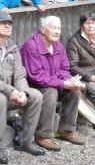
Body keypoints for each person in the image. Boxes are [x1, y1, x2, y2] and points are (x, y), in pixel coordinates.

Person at [0, 10, 45, 163]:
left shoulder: (12, 47)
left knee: (35, 95)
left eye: (10, 23)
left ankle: (26, 141)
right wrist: (10, 91)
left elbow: (19, 75)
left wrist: (22, 92)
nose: (7, 25)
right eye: (3, 22)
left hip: (8, 91)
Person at [19, 16, 86, 147]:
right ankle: (43, 135)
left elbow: (63, 69)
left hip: (53, 82)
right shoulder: (31, 46)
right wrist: (63, 83)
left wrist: (70, 80)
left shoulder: (58, 46)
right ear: (43, 30)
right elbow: (36, 76)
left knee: (74, 91)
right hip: (33, 86)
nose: (57, 31)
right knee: (51, 92)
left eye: (59, 28)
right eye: (53, 27)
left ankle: (66, 130)